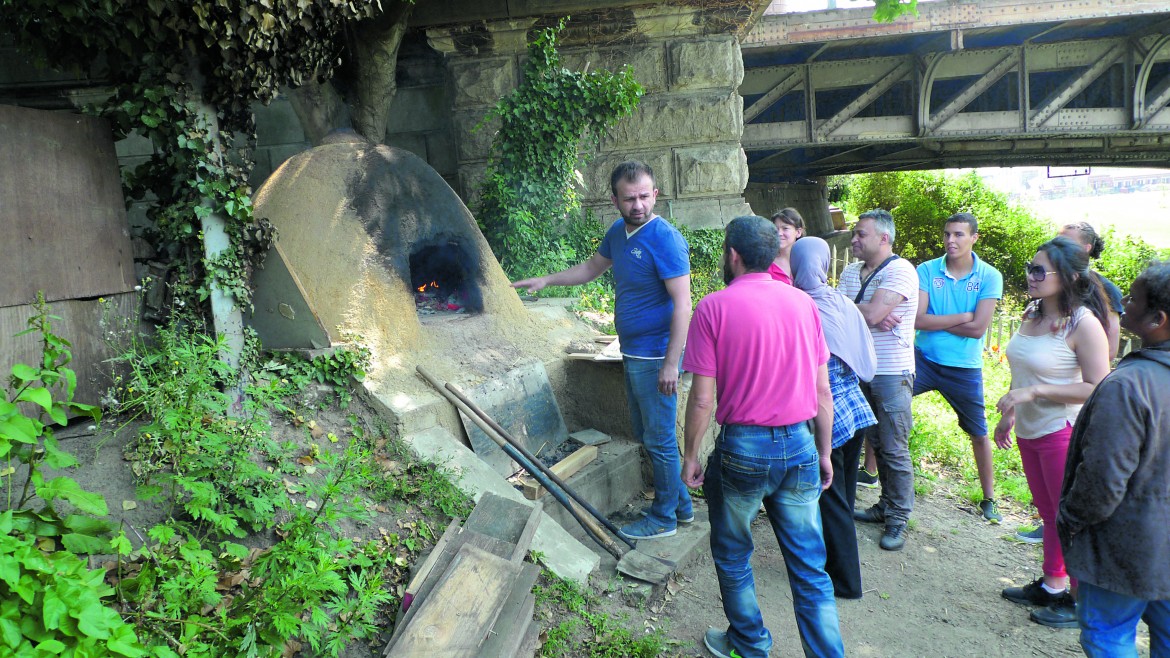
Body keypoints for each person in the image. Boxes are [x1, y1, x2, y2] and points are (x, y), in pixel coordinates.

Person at [681, 215, 842, 658]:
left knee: (733, 556)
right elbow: (822, 389)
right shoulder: (802, 304)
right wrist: (824, 452)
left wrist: (690, 455)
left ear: (732, 255)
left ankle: (750, 643)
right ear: (772, 254)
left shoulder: (712, 307)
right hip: (800, 445)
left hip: (743, 449)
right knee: (811, 569)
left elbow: (701, 400)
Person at [512, 160, 693, 541]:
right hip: (633, 352)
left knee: (658, 438)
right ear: (614, 200)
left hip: (657, 356)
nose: (638, 205)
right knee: (648, 432)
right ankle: (681, 507)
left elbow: (683, 305)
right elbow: (591, 268)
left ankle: (664, 518)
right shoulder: (618, 233)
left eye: (645, 196)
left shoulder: (665, 239)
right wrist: (547, 280)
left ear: (655, 194)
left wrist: (671, 364)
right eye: (630, 199)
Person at [995, 236, 1111, 629]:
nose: (1031, 275)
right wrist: (1012, 410)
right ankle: (1053, 584)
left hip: (1062, 430)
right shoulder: (1033, 312)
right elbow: (1024, 366)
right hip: (1030, 427)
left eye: (1040, 270)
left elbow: (1098, 384)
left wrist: (1035, 392)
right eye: (1030, 267)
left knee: (1067, 518)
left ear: (1070, 277)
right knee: (1049, 515)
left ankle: (1080, 603)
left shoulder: (1084, 323)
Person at [1058, 260, 1170, 656]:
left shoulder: (1128, 385)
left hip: (1125, 549)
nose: (1124, 302)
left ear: (1157, 318)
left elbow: (1102, 479)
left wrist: (1070, 518)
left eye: (1134, 298)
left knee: (1108, 635)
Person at [791, 236, 877, 599]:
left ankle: (845, 581)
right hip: (856, 407)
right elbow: (864, 357)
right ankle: (834, 562)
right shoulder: (842, 301)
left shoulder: (799, 306)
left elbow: (811, 379)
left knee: (830, 498)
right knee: (843, 493)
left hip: (828, 414)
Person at [913, 213, 1004, 523]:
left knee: (978, 431)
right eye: (947, 234)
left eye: (959, 235)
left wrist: (943, 322)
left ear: (974, 238)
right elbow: (917, 320)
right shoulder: (926, 270)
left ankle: (989, 498)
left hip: (964, 367)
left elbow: (979, 330)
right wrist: (963, 316)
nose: (951, 240)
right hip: (923, 358)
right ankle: (870, 471)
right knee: (886, 402)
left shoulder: (989, 276)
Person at [838, 209, 919, 551]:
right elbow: (836, 313)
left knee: (894, 447)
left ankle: (898, 517)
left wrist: (865, 311)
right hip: (860, 369)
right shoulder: (851, 271)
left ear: (883, 238)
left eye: (860, 234)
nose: (853, 239)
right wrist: (869, 312)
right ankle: (885, 506)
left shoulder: (901, 270)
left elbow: (864, 313)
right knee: (876, 441)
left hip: (891, 371)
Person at [1059, 221, 1123, 359]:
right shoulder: (1047, 281)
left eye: (1066, 243)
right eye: (1056, 242)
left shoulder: (1107, 290)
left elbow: (1110, 350)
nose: (1057, 248)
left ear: (1086, 248)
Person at [768, 207, 805, 284]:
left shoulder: (806, 261)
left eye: (785, 228)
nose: (779, 233)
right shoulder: (766, 263)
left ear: (798, 232)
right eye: (775, 229)